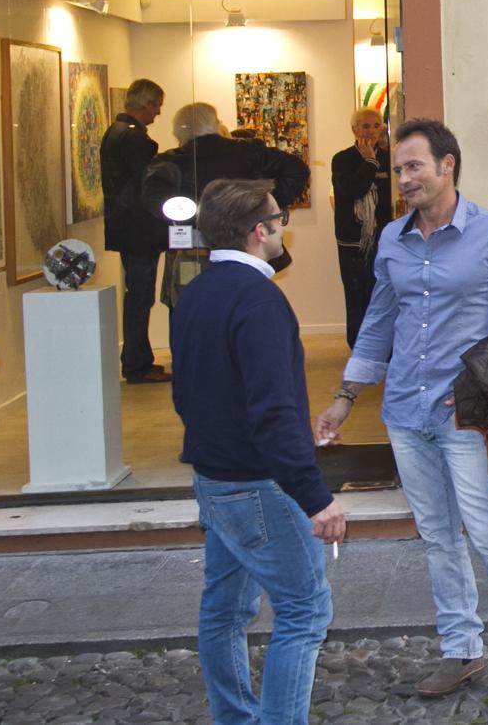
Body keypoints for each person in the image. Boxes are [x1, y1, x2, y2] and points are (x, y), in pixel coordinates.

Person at [313, 119, 488, 712]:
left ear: (447, 165)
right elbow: (379, 322)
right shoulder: (392, 240)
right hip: (406, 413)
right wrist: (346, 396)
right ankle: (461, 649)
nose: (404, 179)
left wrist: (485, 381)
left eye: (414, 167)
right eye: (398, 169)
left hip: (468, 419)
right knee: (436, 539)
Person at [171, 177, 345, 725]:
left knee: (224, 610)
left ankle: (234, 716)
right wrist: (316, 497)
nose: (282, 229)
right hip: (256, 483)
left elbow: (189, 394)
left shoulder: (196, 292)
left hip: (215, 478)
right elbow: (272, 410)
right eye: (279, 219)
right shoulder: (259, 299)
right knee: (304, 611)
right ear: (258, 230)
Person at [142, 102, 310, 308]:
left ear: (179, 130)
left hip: (197, 246)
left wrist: (260, 205)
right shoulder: (246, 152)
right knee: (243, 305)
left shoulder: (172, 160)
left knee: (192, 308)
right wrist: (260, 207)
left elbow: (154, 198)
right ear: (214, 123)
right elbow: (297, 170)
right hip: (237, 245)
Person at [101, 78, 169, 384]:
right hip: (139, 229)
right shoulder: (133, 138)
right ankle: (137, 364)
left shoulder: (115, 131)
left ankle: (138, 359)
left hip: (127, 228)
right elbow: (147, 187)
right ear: (146, 104)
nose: (158, 113)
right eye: (157, 106)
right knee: (140, 297)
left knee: (138, 296)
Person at [331, 108, 392, 348]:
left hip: (383, 239)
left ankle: (384, 348)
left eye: (376, 126)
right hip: (352, 242)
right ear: (354, 130)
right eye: (365, 126)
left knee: (383, 293)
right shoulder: (342, 159)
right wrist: (370, 162)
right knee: (357, 295)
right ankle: (358, 347)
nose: (371, 131)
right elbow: (355, 190)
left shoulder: (389, 158)